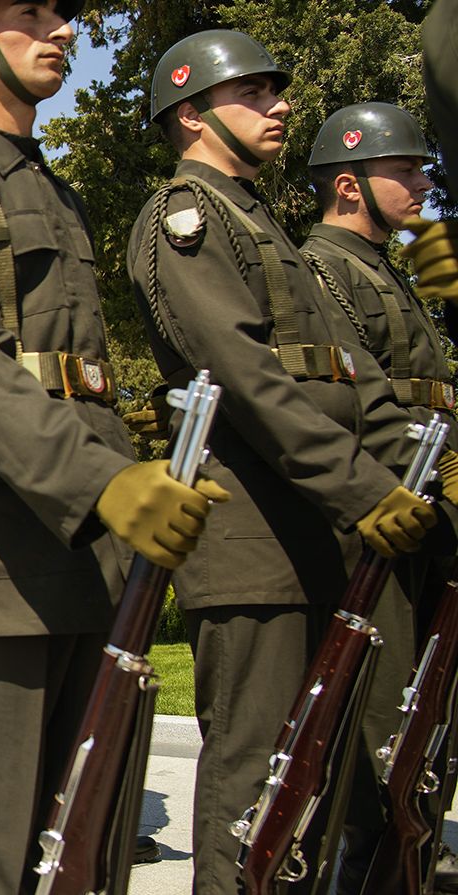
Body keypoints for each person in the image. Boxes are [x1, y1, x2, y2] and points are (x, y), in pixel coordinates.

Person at [0, 3, 228, 891]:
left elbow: (79, 376)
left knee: (86, 843)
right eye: (30, 13)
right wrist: (105, 484)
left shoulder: (55, 192)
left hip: (90, 551)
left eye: (62, 14)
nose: (62, 30)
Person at [131, 34, 431, 892]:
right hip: (251, 544)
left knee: (315, 787)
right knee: (256, 787)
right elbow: (247, 379)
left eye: (276, 91)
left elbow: (355, 378)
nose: (281, 106)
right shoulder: (184, 218)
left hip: (314, 530)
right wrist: (366, 489)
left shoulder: (261, 224)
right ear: (192, 113)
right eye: (255, 93)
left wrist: (422, 479)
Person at [298, 100, 450, 893]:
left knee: (431, 717)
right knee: (385, 724)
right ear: (349, 184)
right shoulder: (321, 269)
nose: (423, 183)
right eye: (405, 170)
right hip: (383, 516)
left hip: (434, 505)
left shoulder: (392, 269)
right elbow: (361, 401)